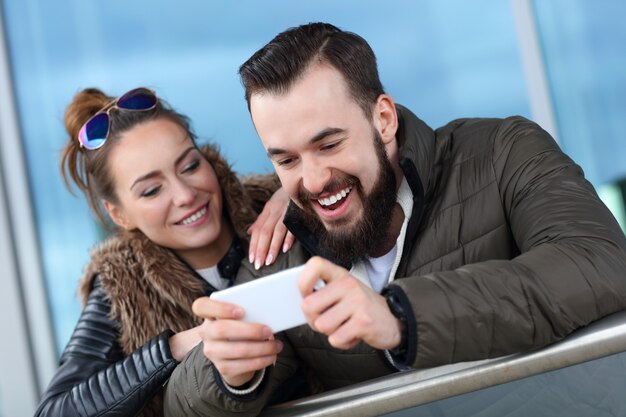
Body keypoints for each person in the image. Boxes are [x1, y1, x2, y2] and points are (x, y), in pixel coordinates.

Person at [163, 22, 626, 416]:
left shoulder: (504, 152)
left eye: (328, 145)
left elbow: (600, 263)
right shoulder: (281, 253)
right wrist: (227, 374)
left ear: (383, 119)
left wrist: (402, 316)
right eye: (286, 160)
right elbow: (180, 407)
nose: (314, 178)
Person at [34, 87, 296, 417]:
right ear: (120, 215)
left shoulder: (277, 204)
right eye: (152, 190)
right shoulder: (121, 286)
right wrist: (178, 346)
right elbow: (54, 412)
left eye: (189, 166)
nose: (185, 195)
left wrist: (297, 189)